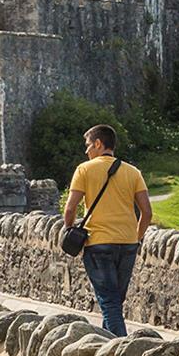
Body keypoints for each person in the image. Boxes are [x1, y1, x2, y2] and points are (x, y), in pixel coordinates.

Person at [64, 124, 152, 336]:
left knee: (109, 302)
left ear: (98, 143)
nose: (86, 151)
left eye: (88, 146)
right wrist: (136, 238)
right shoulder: (133, 172)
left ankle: (120, 349)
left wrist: (69, 230)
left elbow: (70, 207)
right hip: (128, 243)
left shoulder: (84, 169)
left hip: (99, 242)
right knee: (114, 302)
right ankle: (107, 346)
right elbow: (147, 212)